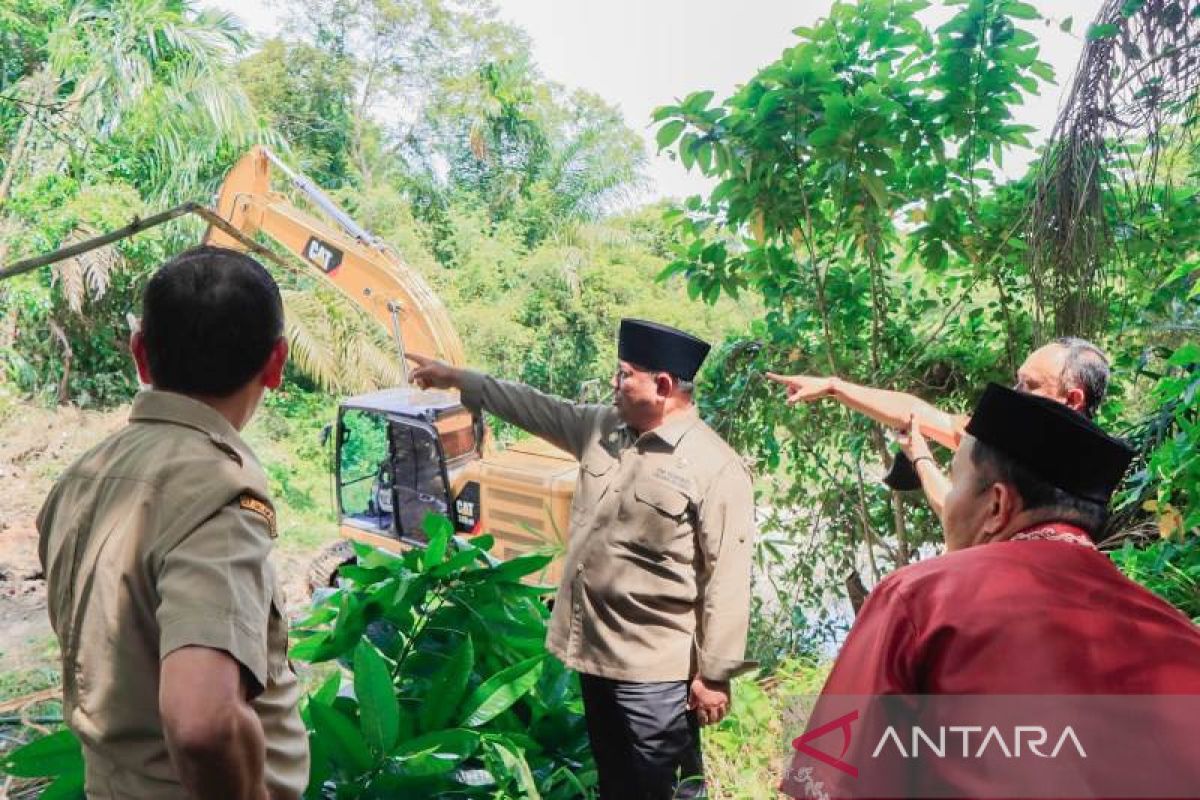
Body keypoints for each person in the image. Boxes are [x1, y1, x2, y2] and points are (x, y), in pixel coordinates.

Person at [780, 384, 1200, 799]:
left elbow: (828, 786)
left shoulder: (919, 598)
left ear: (997, 506)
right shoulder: (1178, 635)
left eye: (957, 481)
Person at [408, 319, 757, 800]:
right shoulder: (603, 429)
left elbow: (730, 577)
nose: (614, 384)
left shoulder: (715, 467)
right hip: (595, 656)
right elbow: (535, 406)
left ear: (662, 386)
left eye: (624, 375)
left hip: (655, 674)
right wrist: (459, 379)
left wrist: (714, 676)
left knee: (666, 791)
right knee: (616, 785)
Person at [37, 246, 309, 799]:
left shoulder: (80, 479)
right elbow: (201, 722)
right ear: (276, 363)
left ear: (141, 354)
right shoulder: (215, 491)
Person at [766, 337, 1110, 519]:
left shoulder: (1087, 476)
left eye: (1029, 385)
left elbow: (958, 518)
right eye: (1016, 382)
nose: (1015, 393)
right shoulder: (1007, 434)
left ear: (1073, 398)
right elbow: (920, 414)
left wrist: (922, 462)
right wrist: (834, 386)